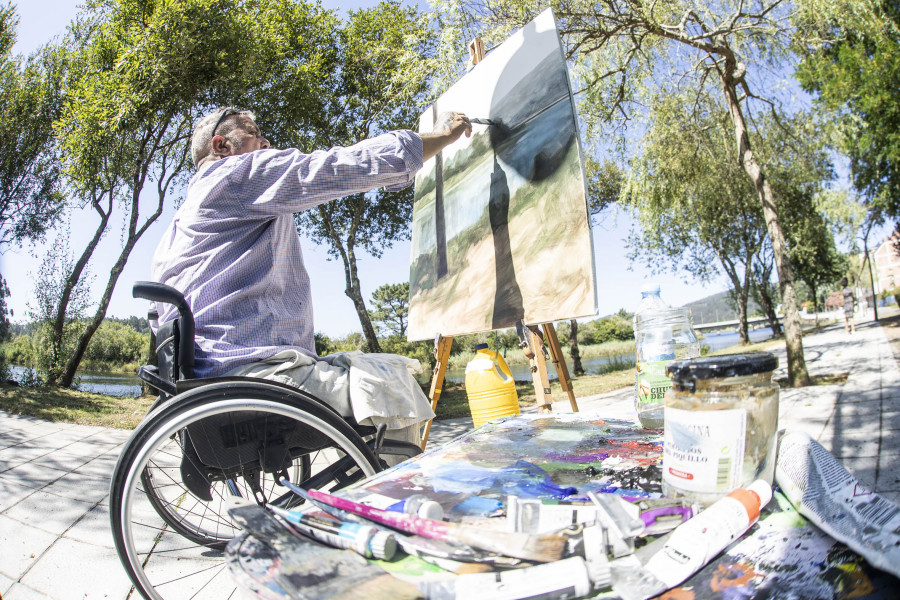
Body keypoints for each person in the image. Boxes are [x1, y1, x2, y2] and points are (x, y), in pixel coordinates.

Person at [150, 107, 472, 442]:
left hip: (208, 377)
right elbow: (334, 167)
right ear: (221, 146)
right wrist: (438, 138)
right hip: (251, 373)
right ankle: (392, 492)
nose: (266, 141)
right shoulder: (235, 175)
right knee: (393, 386)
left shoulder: (179, 226)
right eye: (254, 132)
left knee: (367, 369)